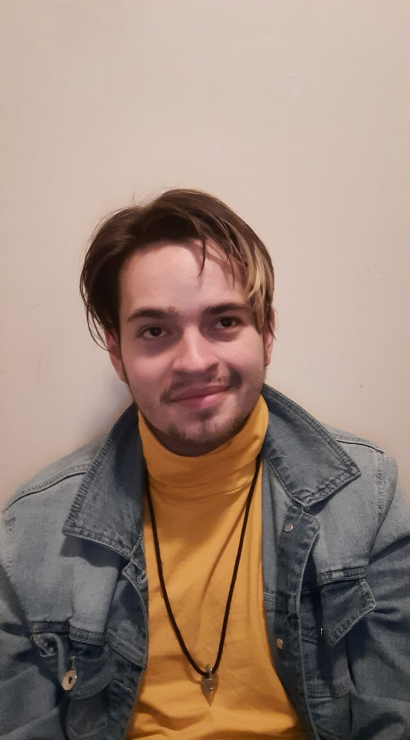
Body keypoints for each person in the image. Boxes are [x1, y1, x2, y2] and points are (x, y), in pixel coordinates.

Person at [1, 189, 409, 740]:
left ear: (266, 333)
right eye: (154, 331)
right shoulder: (30, 535)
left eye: (223, 321)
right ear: (117, 354)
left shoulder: (367, 499)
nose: (195, 362)